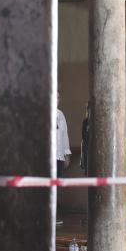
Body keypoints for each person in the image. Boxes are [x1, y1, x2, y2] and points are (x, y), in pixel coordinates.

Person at [56, 94, 72, 226]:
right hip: (46, 158)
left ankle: (53, 215)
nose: (57, 100)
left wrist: (66, 154)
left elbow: (64, 135)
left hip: (59, 156)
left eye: (59, 97)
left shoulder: (60, 114)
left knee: (56, 187)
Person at [80, 102, 90, 175]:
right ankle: (87, 170)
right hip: (86, 143)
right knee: (86, 156)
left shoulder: (96, 121)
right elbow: (83, 134)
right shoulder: (85, 121)